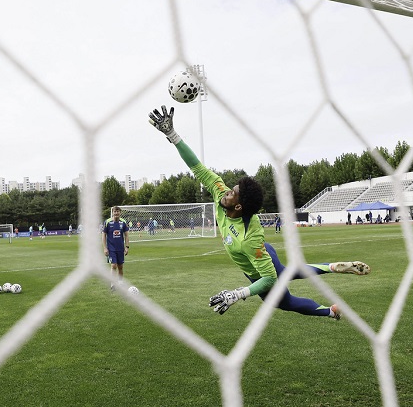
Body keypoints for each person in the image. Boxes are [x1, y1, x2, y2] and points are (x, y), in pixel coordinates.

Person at [149, 105, 370, 320]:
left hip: (258, 259)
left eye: (231, 194)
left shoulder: (249, 238)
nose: (226, 192)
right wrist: (172, 134)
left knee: (283, 300)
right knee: (283, 272)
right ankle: (332, 269)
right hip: (264, 253)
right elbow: (196, 166)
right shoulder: (219, 193)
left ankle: (330, 310)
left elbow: (268, 279)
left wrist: (239, 293)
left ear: (238, 207)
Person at [102, 206, 131, 287]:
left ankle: (120, 283)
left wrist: (127, 247)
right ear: (112, 213)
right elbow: (103, 235)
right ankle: (112, 284)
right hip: (111, 248)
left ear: (120, 213)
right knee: (113, 265)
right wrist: (105, 248)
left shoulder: (123, 222)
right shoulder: (107, 222)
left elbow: (126, 235)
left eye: (118, 211)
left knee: (120, 266)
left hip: (120, 248)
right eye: (115, 211)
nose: (116, 213)